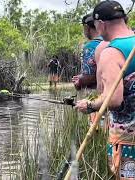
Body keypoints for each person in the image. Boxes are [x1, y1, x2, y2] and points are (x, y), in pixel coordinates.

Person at [75, 1, 135, 179]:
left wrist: (91, 105)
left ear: (101, 24)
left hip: (127, 138)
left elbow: (114, 99)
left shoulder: (112, 52)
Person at [72, 13, 102, 90]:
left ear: (86, 27)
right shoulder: (111, 40)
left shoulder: (90, 47)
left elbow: (90, 76)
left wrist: (79, 81)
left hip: (100, 92)